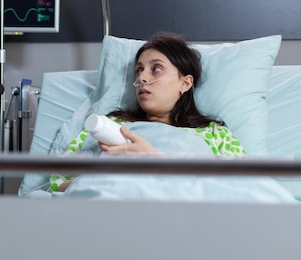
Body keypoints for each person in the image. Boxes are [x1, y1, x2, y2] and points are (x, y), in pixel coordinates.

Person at [49, 32, 246, 192]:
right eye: (139, 70)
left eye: (156, 69)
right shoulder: (110, 125)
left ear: (185, 83)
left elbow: (242, 188)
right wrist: (106, 176)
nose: (142, 77)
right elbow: (57, 183)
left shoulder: (214, 133)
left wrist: (157, 163)